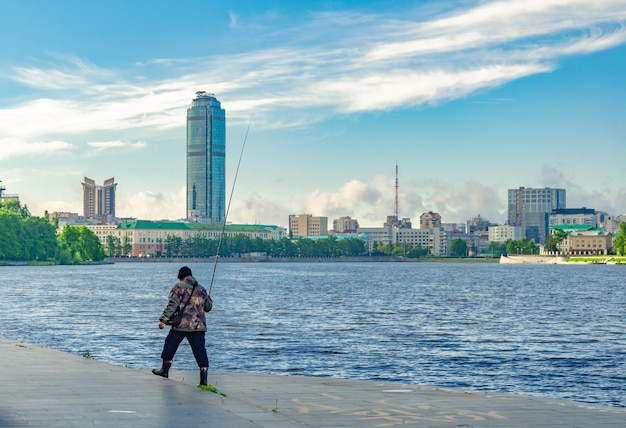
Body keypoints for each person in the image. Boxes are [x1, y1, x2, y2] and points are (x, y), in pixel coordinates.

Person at [153, 266, 213, 386]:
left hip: (181, 324)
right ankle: (204, 379)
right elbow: (208, 308)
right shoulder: (201, 289)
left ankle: (164, 370)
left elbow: (173, 305)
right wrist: (208, 298)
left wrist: (163, 320)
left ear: (181, 277)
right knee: (200, 350)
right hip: (198, 326)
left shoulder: (178, 287)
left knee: (170, 344)